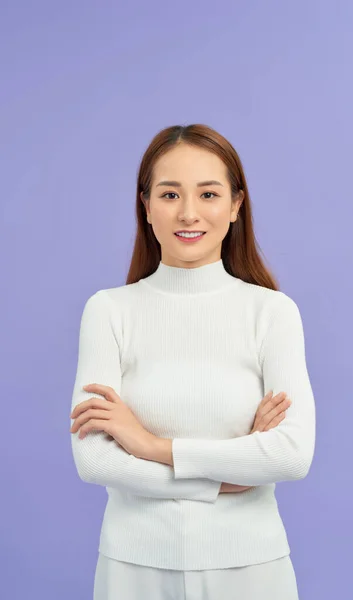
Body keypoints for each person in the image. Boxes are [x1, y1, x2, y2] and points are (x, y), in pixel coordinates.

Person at [69, 123, 316, 600]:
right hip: (133, 568)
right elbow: (95, 459)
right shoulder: (109, 311)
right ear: (145, 207)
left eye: (208, 194)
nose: (188, 213)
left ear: (235, 206)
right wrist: (227, 478)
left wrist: (149, 444)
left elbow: (291, 453)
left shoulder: (272, 313)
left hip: (251, 568)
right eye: (168, 194)